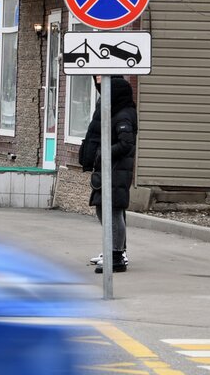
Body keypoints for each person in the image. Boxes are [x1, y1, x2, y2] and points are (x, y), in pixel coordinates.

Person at [79, 75, 138, 274]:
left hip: (116, 169)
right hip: (111, 167)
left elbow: (126, 143)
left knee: (111, 210)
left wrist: (103, 152)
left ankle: (116, 255)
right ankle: (113, 251)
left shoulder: (123, 115)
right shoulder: (113, 110)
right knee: (107, 209)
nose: (100, 89)